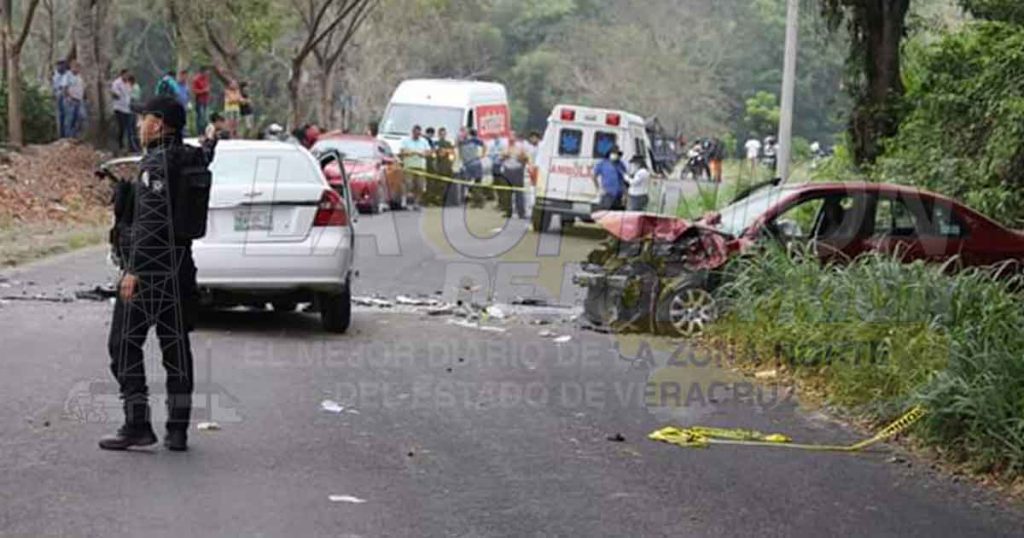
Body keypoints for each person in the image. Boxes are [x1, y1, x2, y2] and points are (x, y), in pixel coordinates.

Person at [100, 95, 216, 452]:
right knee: (176, 348)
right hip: (181, 267)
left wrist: (132, 271)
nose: (138, 125)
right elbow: (204, 157)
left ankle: (137, 424)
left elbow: (151, 225)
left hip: (150, 271)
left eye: (144, 118)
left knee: (123, 345)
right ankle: (177, 431)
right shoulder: (191, 158)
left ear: (160, 124)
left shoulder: (155, 165)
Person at [399, 125, 432, 210]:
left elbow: (429, 152)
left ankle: (416, 203)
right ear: (413, 132)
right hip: (409, 166)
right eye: (416, 133)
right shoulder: (406, 141)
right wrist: (410, 153)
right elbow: (401, 151)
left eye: (419, 134)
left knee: (420, 186)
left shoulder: (424, 141)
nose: (417, 135)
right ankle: (404, 202)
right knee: (408, 184)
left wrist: (423, 154)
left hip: (420, 167)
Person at [498, 136, 529, 219]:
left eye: (513, 139)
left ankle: (521, 213)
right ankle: (508, 212)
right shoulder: (504, 146)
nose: (511, 140)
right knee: (507, 193)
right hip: (507, 170)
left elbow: (526, 159)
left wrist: (520, 157)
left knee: (519, 193)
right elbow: (500, 158)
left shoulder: (520, 146)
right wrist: (505, 156)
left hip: (517, 170)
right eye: (510, 139)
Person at [110, 70, 139, 153]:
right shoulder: (117, 83)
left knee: (129, 129)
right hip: (119, 108)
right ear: (122, 74)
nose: (127, 76)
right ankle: (120, 145)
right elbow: (115, 94)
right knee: (121, 127)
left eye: (128, 75)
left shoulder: (127, 83)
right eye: (126, 75)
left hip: (127, 109)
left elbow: (129, 94)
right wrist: (118, 95)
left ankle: (131, 147)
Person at [592, 146, 627, 210]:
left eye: (617, 154)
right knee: (606, 212)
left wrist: (625, 194)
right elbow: (594, 176)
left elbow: (624, 180)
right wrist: (598, 189)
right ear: (610, 154)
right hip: (607, 194)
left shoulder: (620, 164)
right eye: (614, 153)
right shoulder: (602, 163)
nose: (616, 155)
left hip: (619, 195)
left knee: (617, 214)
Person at [457, 128, 485, 207]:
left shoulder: (474, 140)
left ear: (468, 133)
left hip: (475, 163)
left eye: (464, 132)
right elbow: (458, 149)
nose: (463, 134)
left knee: (477, 182)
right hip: (466, 164)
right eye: (461, 132)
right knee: (467, 183)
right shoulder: (461, 142)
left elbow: (483, 145)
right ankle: (474, 199)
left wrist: (483, 155)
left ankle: (479, 202)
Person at [63, 61, 86, 139]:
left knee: (81, 117)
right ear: (72, 67)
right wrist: (68, 97)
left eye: (78, 67)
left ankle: (75, 135)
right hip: (71, 100)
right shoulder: (67, 75)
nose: (77, 69)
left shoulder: (79, 77)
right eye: (75, 67)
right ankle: (68, 137)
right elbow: (65, 88)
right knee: (69, 119)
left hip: (79, 100)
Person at [192, 67, 212, 135]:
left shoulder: (206, 79)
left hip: (206, 101)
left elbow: (208, 88)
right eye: (206, 72)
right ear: (202, 72)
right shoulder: (196, 79)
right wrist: (203, 91)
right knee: (200, 117)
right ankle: (200, 132)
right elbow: (194, 91)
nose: (208, 73)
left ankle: (205, 132)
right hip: (199, 101)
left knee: (206, 117)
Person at [52, 61, 69, 138]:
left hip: (67, 96)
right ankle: (61, 136)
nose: (60, 67)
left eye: (62, 65)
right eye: (59, 66)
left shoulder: (68, 74)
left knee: (68, 116)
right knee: (60, 116)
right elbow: (56, 87)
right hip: (59, 96)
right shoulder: (56, 75)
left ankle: (68, 135)